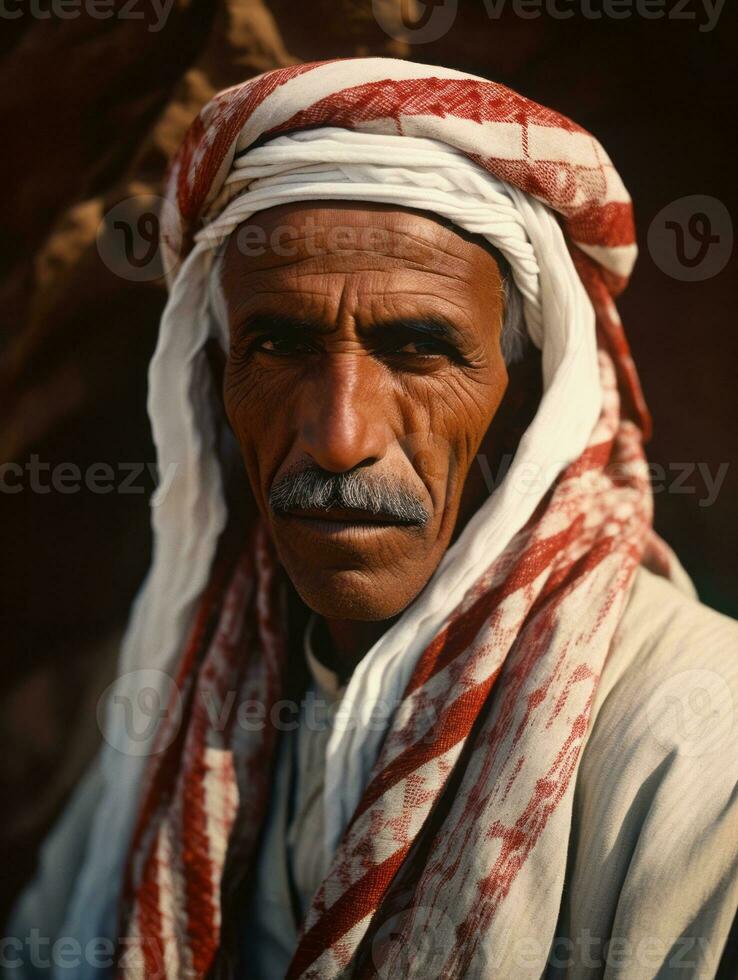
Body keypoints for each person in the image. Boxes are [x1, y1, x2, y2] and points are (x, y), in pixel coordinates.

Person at [9, 58, 737, 980]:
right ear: (217, 383)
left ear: (529, 403)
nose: (339, 436)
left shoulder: (696, 749)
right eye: (277, 346)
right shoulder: (181, 710)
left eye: (419, 349)